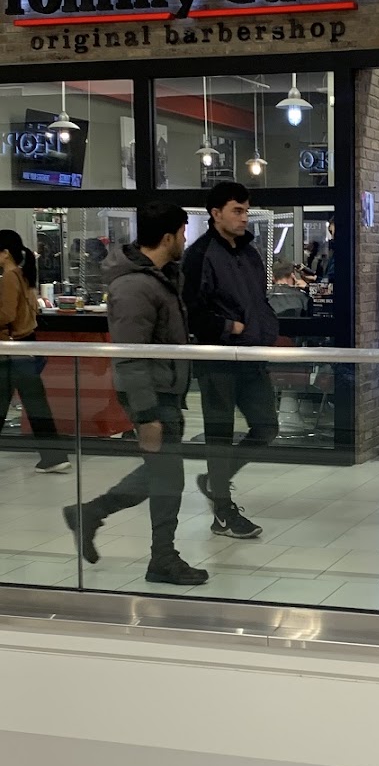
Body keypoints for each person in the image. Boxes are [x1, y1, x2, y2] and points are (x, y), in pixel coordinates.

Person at [62, 203, 208, 587]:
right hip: (151, 394)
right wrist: (146, 416)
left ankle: (91, 514)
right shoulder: (133, 287)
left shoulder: (159, 278)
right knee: (167, 477)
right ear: (167, 238)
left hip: (164, 390)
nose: (185, 239)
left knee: (163, 473)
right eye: (182, 233)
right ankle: (161, 557)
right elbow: (129, 357)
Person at [183, 181, 279, 539]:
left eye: (246, 210)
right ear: (216, 213)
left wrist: (264, 326)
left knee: (267, 426)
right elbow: (192, 313)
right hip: (218, 359)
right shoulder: (199, 256)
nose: (244, 217)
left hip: (252, 356)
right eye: (237, 210)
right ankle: (223, 511)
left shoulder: (250, 253)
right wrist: (230, 327)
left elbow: (259, 298)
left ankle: (214, 481)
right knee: (219, 436)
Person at [0, 230, 70, 474]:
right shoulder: (23, 274)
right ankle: (53, 456)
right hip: (26, 346)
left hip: (12, 349)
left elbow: (7, 314)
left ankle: (54, 456)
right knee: (34, 403)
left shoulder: (9, 277)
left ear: (5, 253)